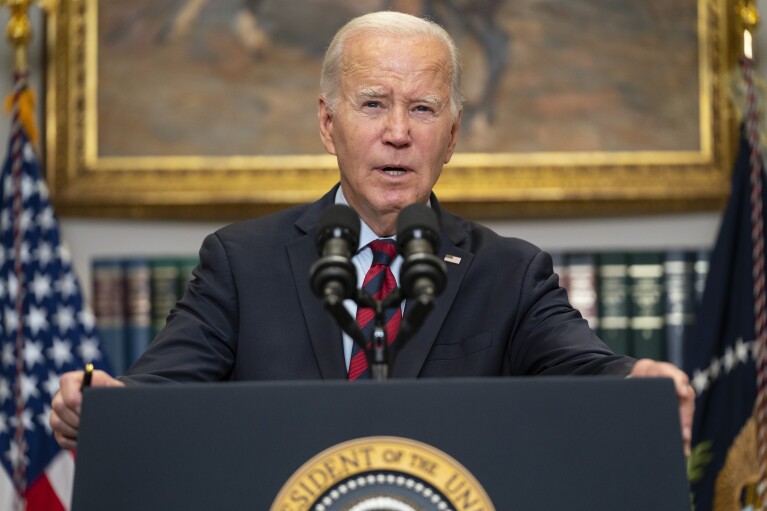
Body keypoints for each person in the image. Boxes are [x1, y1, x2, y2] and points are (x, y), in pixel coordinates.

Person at [50, 10, 694, 453]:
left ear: (452, 136)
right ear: (328, 125)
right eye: (373, 104)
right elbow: (160, 388)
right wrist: (105, 402)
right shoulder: (242, 263)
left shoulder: (510, 274)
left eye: (422, 108)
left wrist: (636, 384)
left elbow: (583, 370)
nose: (398, 132)